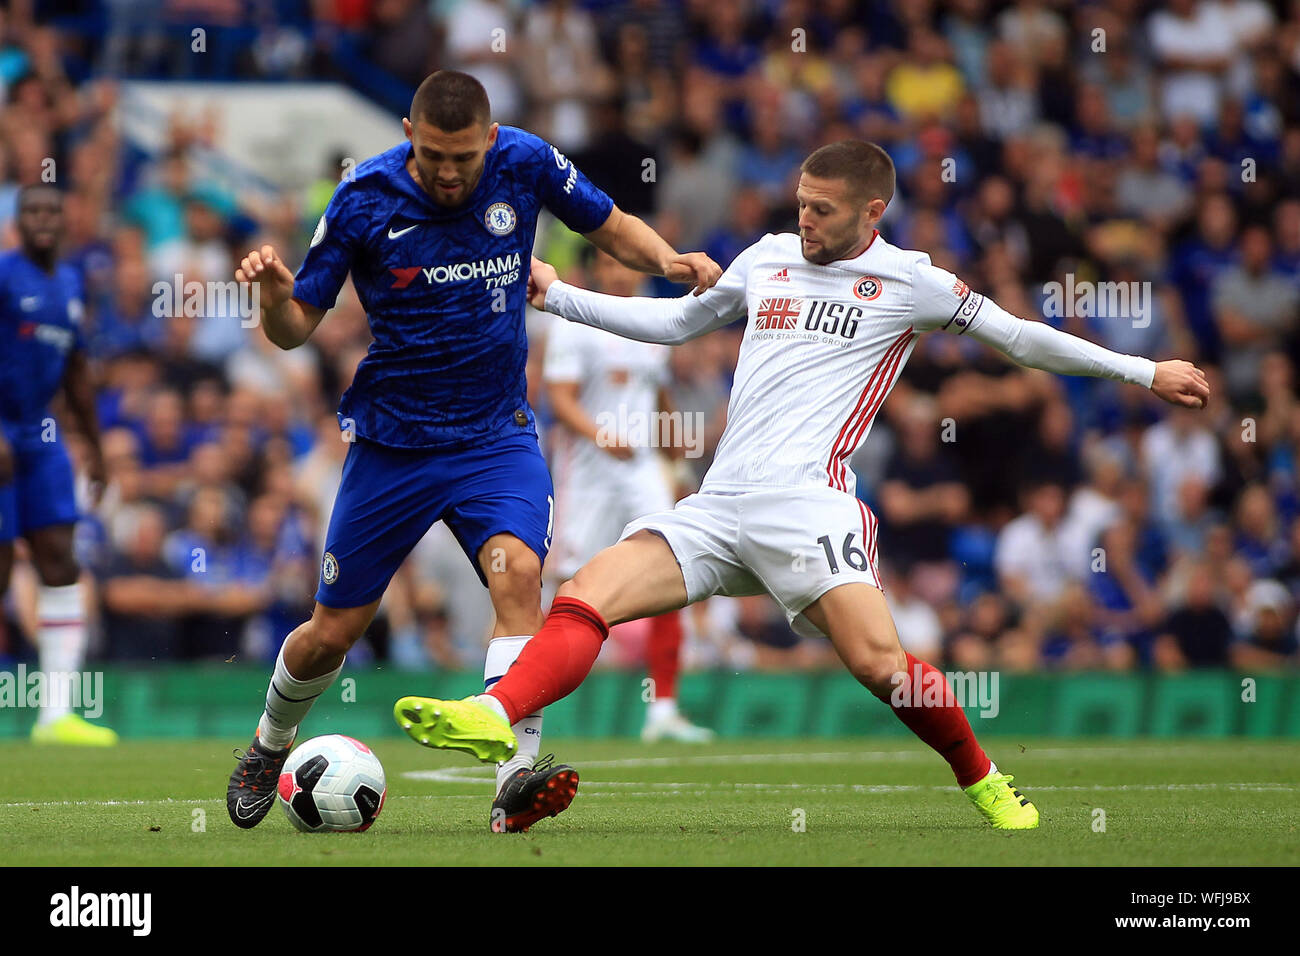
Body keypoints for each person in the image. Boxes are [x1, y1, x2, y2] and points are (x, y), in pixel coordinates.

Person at [390, 140, 1211, 830]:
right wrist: (560, 295)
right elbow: (677, 325)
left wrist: (1143, 371)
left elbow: (1023, 340)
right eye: (800, 204)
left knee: (882, 666)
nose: (804, 220)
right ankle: (495, 716)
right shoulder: (770, 257)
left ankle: (983, 779)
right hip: (718, 503)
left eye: (821, 209)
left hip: (810, 506)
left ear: (871, 214)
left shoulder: (913, 281)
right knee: (586, 592)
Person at [226, 70, 720, 833]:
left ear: (490, 139)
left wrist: (670, 261)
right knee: (333, 632)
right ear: (406, 136)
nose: (450, 172)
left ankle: (514, 784)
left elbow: (610, 224)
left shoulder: (525, 161)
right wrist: (271, 296)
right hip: (393, 444)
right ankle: (269, 741)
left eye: (463, 157)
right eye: (432, 156)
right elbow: (296, 326)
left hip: (495, 436)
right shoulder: (362, 197)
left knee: (519, 574)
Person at [543, 248, 713, 743]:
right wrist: (598, 435)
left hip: (641, 468)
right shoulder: (574, 320)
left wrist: (677, 458)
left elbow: (658, 396)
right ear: (597, 269)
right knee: (564, 582)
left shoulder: (649, 320)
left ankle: (663, 709)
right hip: (590, 472)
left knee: (669, 568)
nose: (619, 274)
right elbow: (559, 399)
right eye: (611, 265)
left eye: (626, 266)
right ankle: (537, 699)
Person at [0, 184, 115, 745]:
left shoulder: (70, 282)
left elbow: (76, 372)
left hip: (41, 436)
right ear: (18, 222)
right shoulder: (4, 274)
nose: (43, 220)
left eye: (51, 210)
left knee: (60, 559)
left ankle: (56, 715)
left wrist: (94, 447)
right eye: (32, 212)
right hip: (1, 430)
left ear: (64, 220)